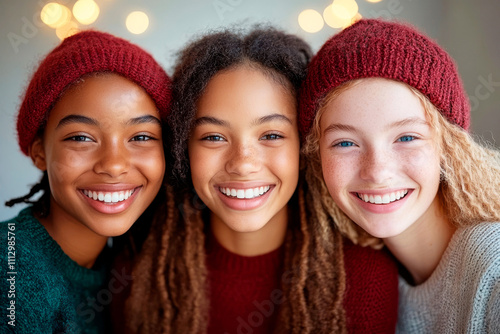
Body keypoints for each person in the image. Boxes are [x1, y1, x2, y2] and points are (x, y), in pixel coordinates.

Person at [123, 26, 398, 334]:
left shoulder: (363, 278)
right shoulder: (138, 268)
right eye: (213, 137)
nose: (242, 164)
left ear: (305, 145)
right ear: (183, 148)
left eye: (271, 135)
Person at [300, 18, 500, 333]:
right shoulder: (350, 274)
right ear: (316, 158)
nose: (377, 172)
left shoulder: (494, 267)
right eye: (345, 143)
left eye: (406, 137)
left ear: (449, 145)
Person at [0, 30, 171, 333]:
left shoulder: (130, 265)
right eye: (81, 137)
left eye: (142, 137)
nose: (114, 165)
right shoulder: (10, 273)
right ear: (39, 151)